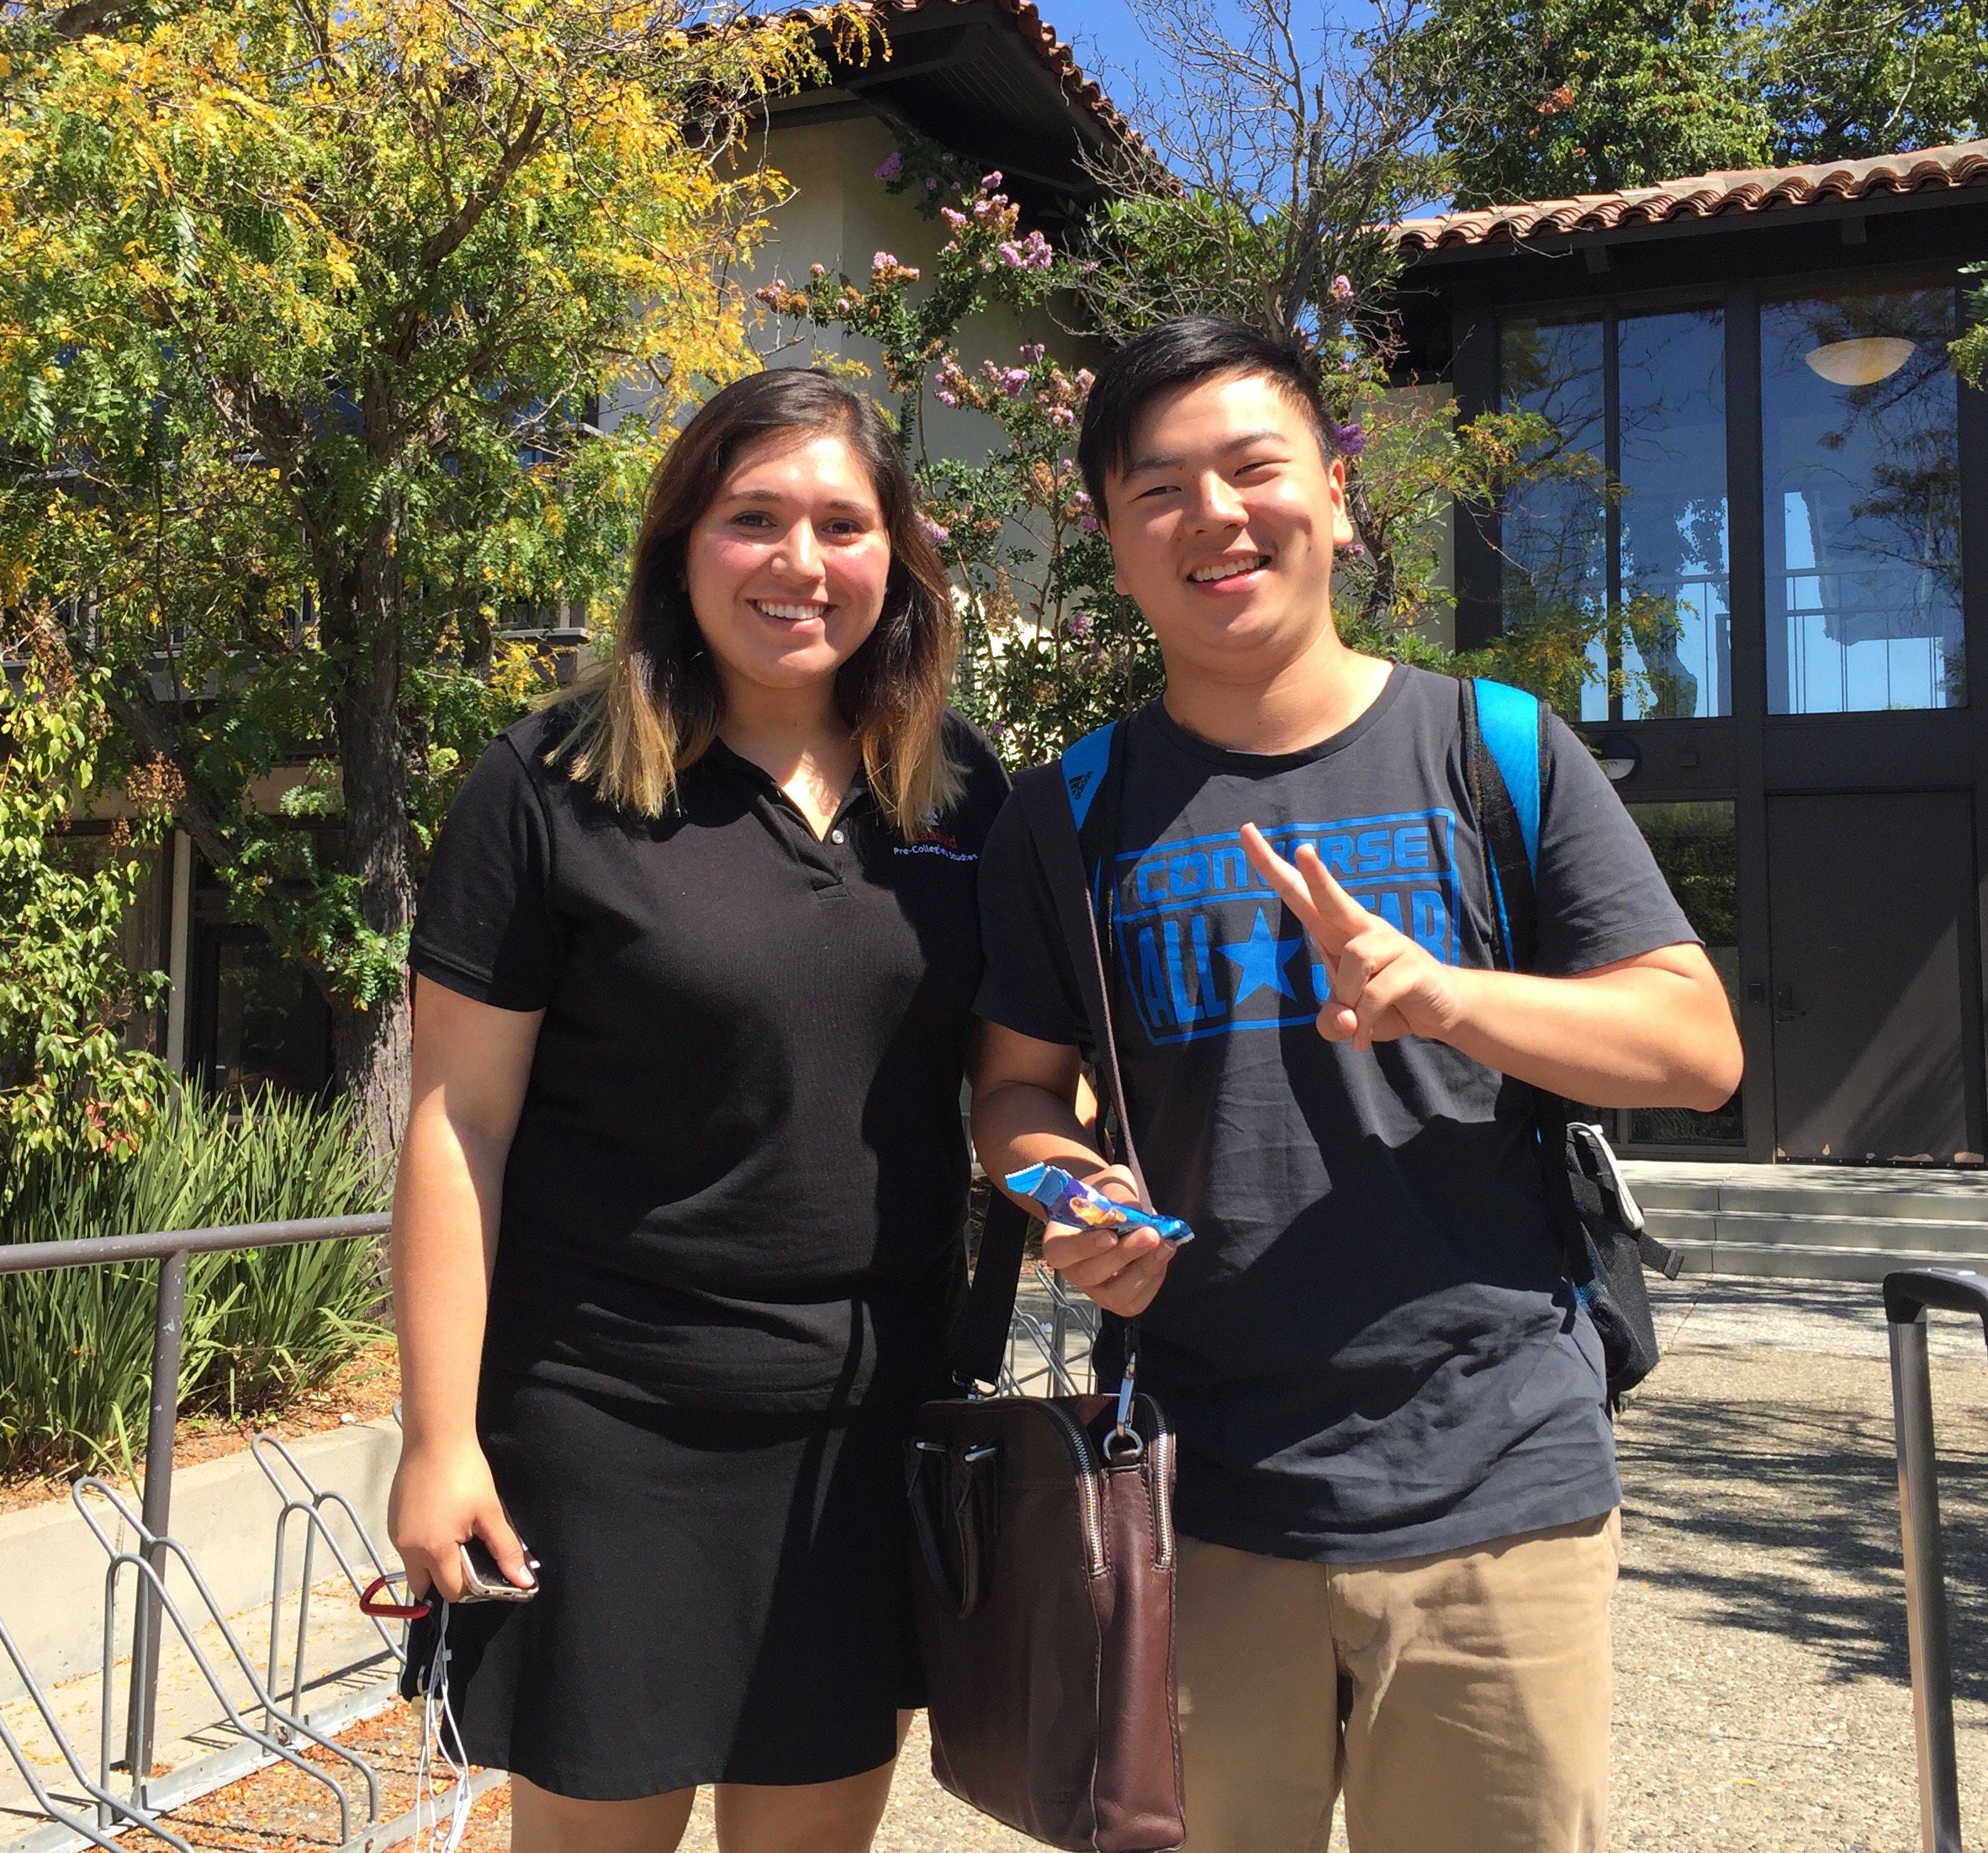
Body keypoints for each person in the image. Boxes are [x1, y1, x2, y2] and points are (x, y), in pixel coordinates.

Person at [969, 317, 1743, 1853]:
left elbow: (1696, 1047)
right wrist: (1070, 1189)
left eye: (1253, 469)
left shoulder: (1494, 747)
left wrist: (1448, 998)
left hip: (1499, 1478)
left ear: (1335, 491)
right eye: (1158, 490)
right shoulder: (1066, 813)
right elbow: (1011, 1095)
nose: (1214, 516)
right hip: (1192, 1491)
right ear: (1112, 539)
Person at [387, 368, 1008, 1853]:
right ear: (682, 546)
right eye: (754, 519)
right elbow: (458, 1126)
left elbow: (1016, 1087)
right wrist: (436, 1439)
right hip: (603, 1424)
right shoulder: (550, 784)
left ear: (897, 559)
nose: (801, 561)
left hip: (862, 1432)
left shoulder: (963, 798)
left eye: (842, 525)